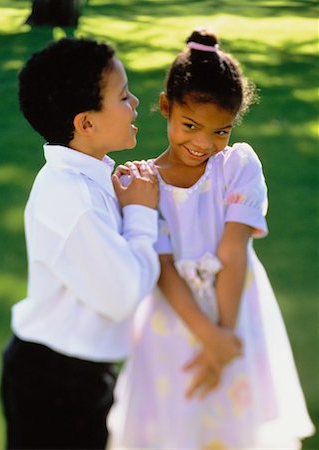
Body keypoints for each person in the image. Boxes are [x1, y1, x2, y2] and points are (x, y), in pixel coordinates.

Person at [107, 29, 315, 449]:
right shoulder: (140, 182)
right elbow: (161, 267)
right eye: (190, 125)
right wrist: (208, 338)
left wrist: (224, 337)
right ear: (165, 107)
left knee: (235, 428)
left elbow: (233, 250)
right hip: (173, 324)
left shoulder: (237, 167)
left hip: (235, 316)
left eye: (221, 131)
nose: (203, 143)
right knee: (177, 428)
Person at [0, 37, 161, 450]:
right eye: (123, 96)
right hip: (55, 379)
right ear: (85, 123)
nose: (136, 102)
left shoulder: (93, 179)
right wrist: (141, 214)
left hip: (76, 370)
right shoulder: (73, 200)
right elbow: (123, 294)